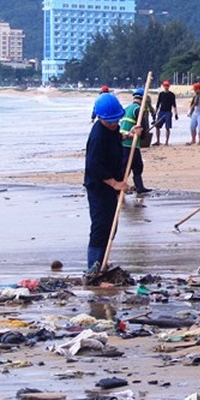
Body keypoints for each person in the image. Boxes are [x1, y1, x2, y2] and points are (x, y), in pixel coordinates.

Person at [83, 93, 136, 271]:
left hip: (111, 184)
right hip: (99, 187)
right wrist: (114, 183)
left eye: (116, 120)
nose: (114, 124)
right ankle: (94, 267)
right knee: (101, 226)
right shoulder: (98, 135)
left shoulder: (112, 129)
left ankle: (103, 262)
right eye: (110, 121)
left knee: (111, 226)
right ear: (100, 117)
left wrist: (129, 135)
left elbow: (115, 139)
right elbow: (94, 166)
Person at [120, 88, 152, 194]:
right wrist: (143, 137)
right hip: (130, 142)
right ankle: (133, 187)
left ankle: (137, 186)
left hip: (123, 141)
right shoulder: (138, 109)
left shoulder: (128, 108)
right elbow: (142, 127)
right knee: (136, 166)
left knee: (130, 165)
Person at [154, 80, 178, 145]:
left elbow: (174, 104)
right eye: (165, 86)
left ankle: (166, 142)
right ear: (163, 86)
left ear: (169, 86)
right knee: (157, 126)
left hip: (168, 112)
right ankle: (158, 141)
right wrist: (155, 113)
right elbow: (158, 104)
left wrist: (176, 114)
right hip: (161, 111)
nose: (166, 87)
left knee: (167, 127)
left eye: (167, 86)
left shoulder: (172, 95)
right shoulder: (161, 94)